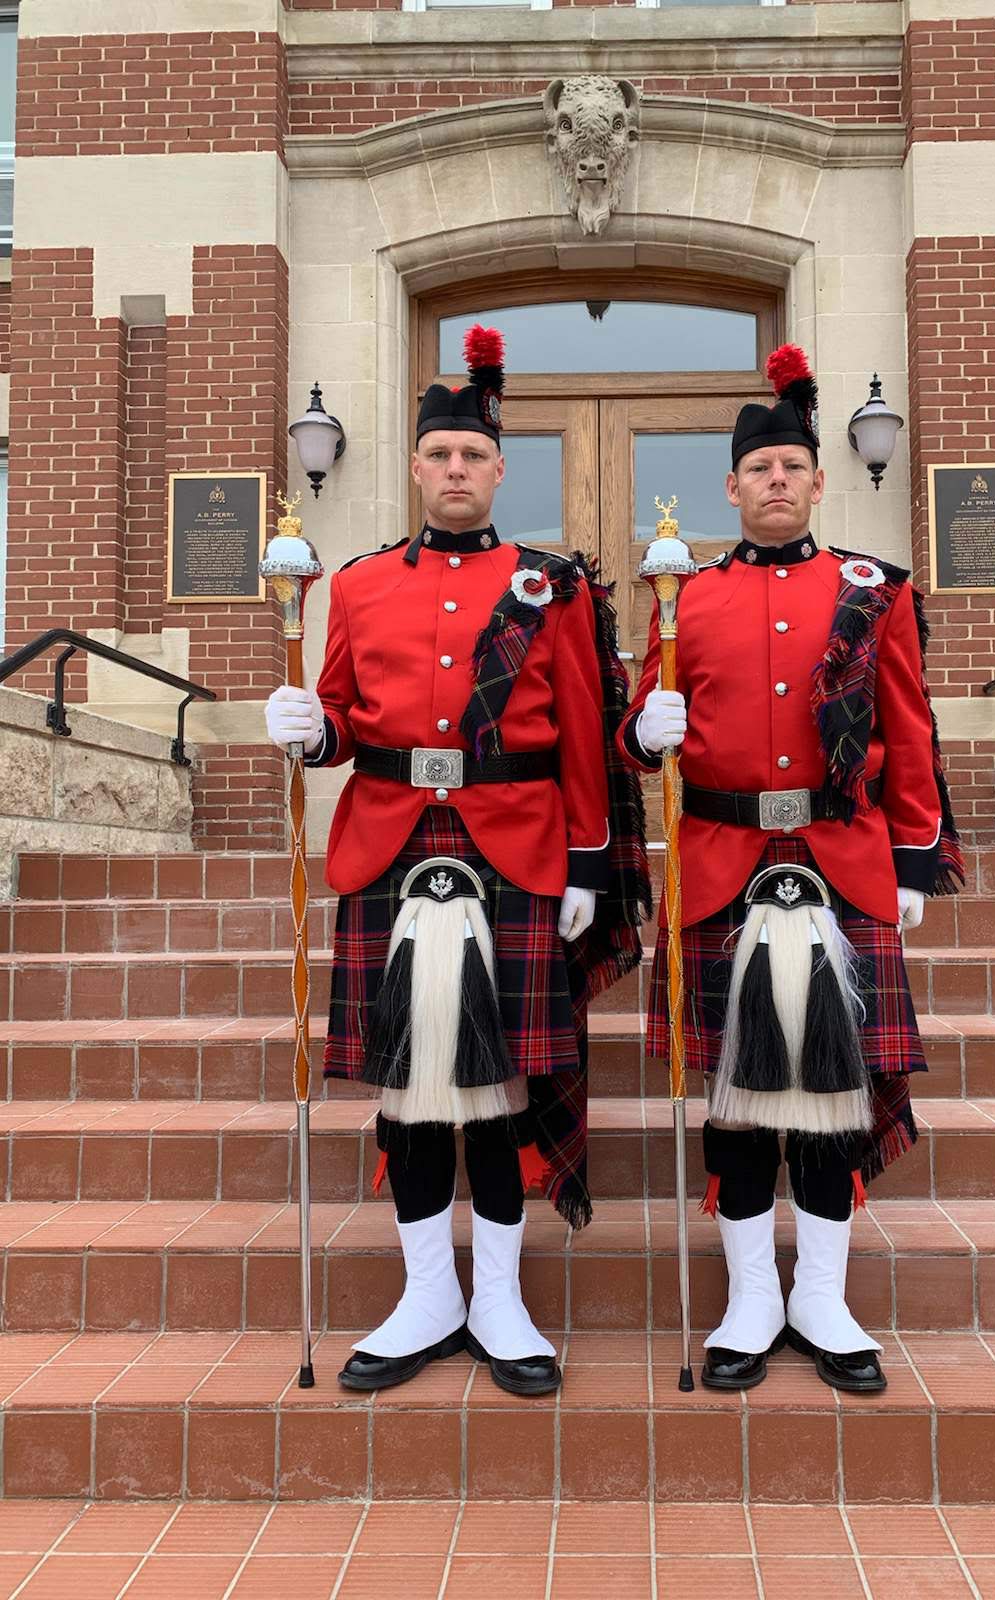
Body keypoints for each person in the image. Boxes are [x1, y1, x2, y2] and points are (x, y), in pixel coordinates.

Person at [266, 326, 647, 1398]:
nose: (454, 471)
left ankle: (503, 1299)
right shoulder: (361, 582)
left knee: (502, 1085)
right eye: (438, 456)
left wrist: (584, 867)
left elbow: (581, 732)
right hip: (390, 843)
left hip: (515, 851)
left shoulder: (549, 589)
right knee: (411, 1086)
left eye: (473, 456)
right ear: (417, 465)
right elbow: (341, 718)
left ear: (499, 468)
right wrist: (307, 727)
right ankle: (427, 1292)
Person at [619, 343, 963, 1393]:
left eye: (792, 467)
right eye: (757, 470)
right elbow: (640, 724)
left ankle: (821, 1293)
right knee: (733, 1101)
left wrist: (914, 851)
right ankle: (748, 1300)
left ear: (816, 479)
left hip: (838, 860)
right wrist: (645, 730)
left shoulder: (873, 592)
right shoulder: (680, 597)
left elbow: (908, 726)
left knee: (829, 1095)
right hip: (722, 863)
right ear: (731, 487)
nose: (775, 482)